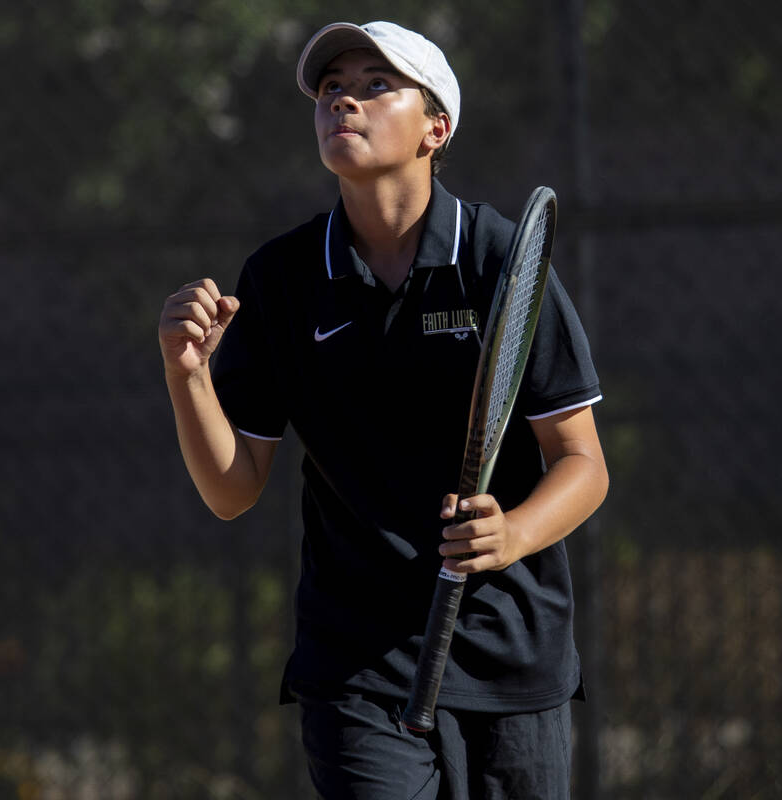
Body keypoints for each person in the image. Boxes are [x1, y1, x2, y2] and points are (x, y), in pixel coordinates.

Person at [158, 20, 608, 800]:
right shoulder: (281, 280)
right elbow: (232, 491)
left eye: (375, 86)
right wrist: (186, 374)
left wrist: (512, 535)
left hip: (513, 656)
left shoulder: (498, 259)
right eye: (332, 89)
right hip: (355, 665)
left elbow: (583, 463)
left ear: (436, 128)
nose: (345, 103)